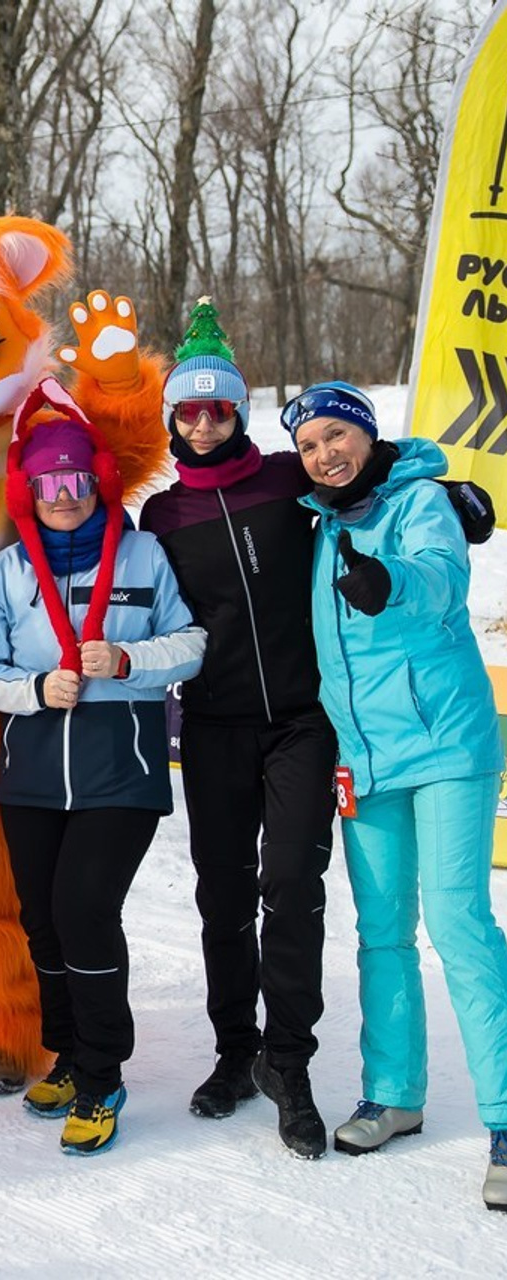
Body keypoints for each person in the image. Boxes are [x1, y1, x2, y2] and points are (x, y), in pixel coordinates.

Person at [0, 381, 205, 1155]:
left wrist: (129, 657)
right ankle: (65, 1051)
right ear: (27, 490)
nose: (63, 498)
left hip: (118, 771)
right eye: (46, 484)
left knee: (85, 912)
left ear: (96, 481)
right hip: (31, 773)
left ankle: (102, 1075)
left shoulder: (140, 551)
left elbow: (191, 643)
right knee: (43, 922)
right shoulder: (9, 571)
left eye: (75, 482)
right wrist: (31, 689)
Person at [286, 380, 507, 1211]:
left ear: (369, 436)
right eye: (310, 446)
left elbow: (443, 577)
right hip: (365, 759)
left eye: (337, 437)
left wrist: (392, 581)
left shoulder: (419, 500)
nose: (325, 455)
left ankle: (506, 1114)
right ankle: (395, 1092)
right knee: (381, 931)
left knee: (458, 919)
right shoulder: (319, 520)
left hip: (447, 744)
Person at [139, 299, 337, 1159]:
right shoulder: (163, 517)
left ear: (241, 411)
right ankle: (235, 1051)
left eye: (220, 407)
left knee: (289, 886)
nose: (207, 420)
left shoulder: (291, 479)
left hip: (301, 721)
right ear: (173, 419)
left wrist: (451, 494)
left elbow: (375, 476)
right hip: (213, 727)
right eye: (190, 408)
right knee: (223, 895)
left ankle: (287, 1063)